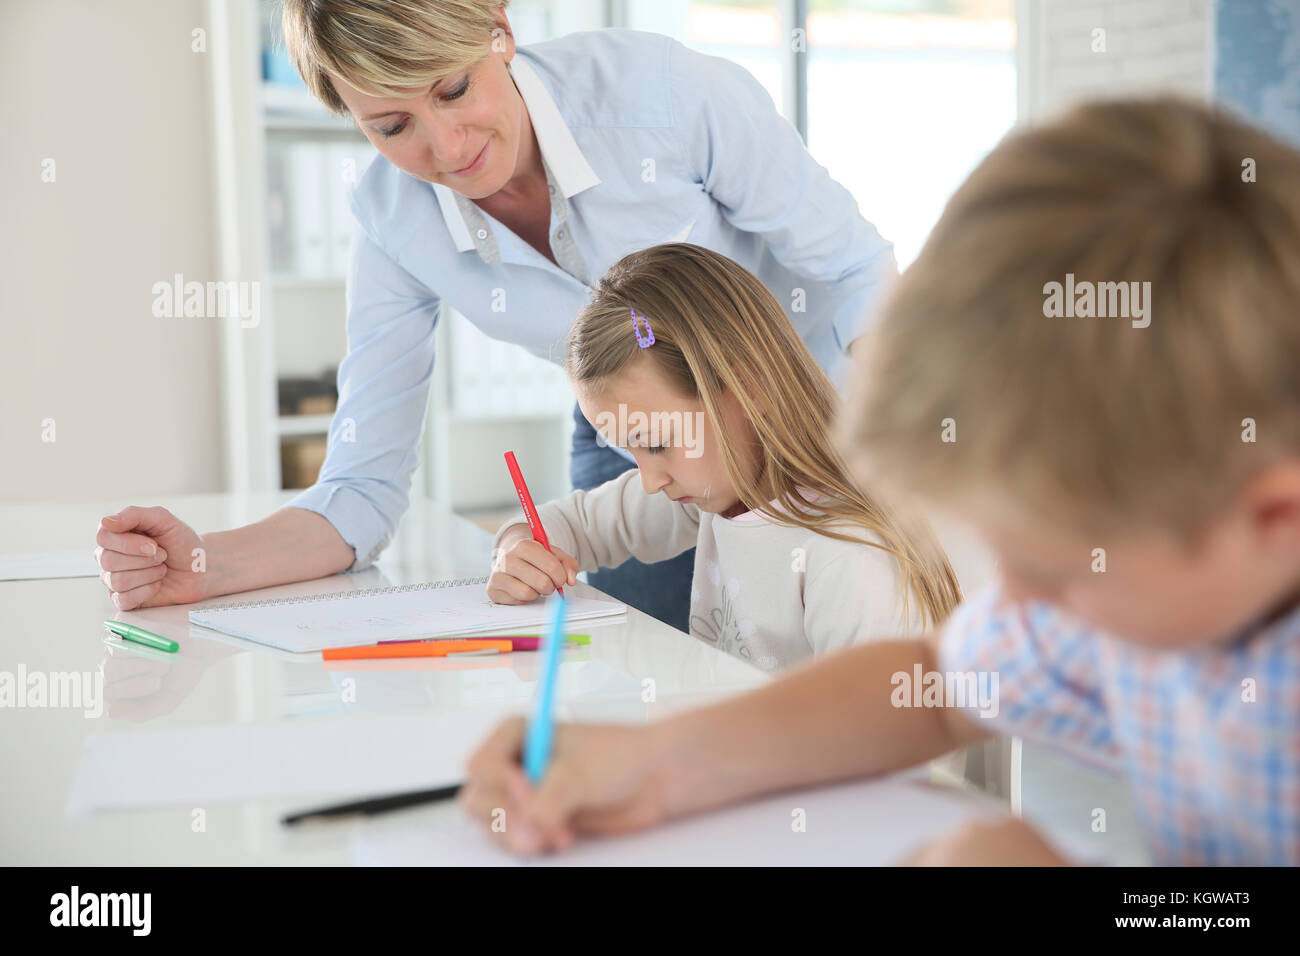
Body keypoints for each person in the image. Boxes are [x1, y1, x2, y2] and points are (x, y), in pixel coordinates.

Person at [459, 97, 1300, 866]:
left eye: (1053, 572)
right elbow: (934, 690)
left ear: (1275, 517)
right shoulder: (1118, 590)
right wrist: (649, 761)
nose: (1009, 602)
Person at [94, 1, 898, 633]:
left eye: (452, 88)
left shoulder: (663, 96)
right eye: (392, 126)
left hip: (823, 404)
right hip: (631, 430)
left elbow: (859, 267)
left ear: (500, 30)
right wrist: (204, 562)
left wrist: (831, 446)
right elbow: (362, 486)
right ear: (350, 114)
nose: (447, 147)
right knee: (663, 661)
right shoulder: (391, 218)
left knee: (821, 637)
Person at [487, 243, 959, 669]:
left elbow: (879, 751)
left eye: (655, 443)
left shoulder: (847, 556)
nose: (649, 481)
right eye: (626, 448)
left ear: (747, 389)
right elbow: (578, 525)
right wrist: (516, 548)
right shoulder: (723, 490)